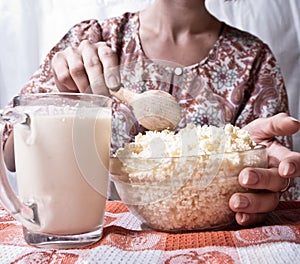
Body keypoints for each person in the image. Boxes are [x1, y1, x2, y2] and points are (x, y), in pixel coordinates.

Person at [2, 0, 300, 227]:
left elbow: (271, 184)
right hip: (95, 238)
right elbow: (11, 154)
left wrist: (247, 158)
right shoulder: (92, 40)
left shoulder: (253, 61)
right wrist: (60, 97)